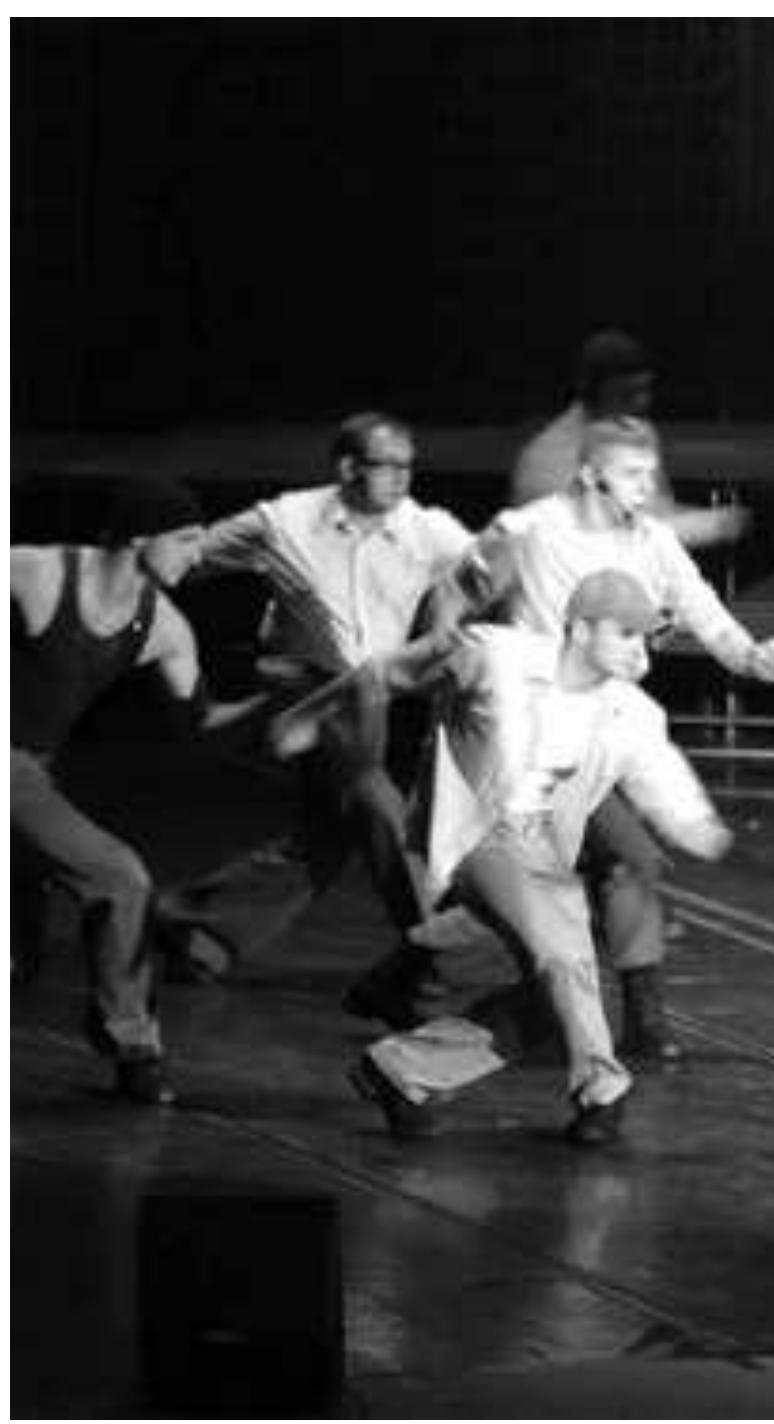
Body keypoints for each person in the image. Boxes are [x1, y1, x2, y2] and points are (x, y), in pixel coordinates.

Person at [352, 417, 774, 1070]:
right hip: (528, 740)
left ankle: (415, 974)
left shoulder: (652, 541)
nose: (647, 486)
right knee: (607, 866)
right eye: (632, 474)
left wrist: (749, 655)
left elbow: (699, 606)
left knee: (594, 872)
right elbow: (451, 594)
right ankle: (444, 1036)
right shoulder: (528, 532)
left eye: (651, 473)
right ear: (590, 473)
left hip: (602, 728)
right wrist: (448, 668)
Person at [272, 570, 732, 1146]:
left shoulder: (634, 715)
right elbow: (384, 672)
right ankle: (603, 1090)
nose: (641, 651)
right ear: (582, 629)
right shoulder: (494, 657)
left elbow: (667, 786)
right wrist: (308, 717)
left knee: (552, 997)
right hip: (476, 836)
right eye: (627, 634)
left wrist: (701, 831)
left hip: (544, 855)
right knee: (566, 952)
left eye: (647, 639)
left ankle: (403, 1069)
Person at [152, 413, 472, 979]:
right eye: (386, 465)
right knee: (374, 799)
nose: (401, 478)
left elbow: (492, 574)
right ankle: (434, 950)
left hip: (370, 697)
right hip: (301, 688)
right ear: (348, 467)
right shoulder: (284, 522)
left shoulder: (430, 530)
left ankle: (198, 928)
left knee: (328, 835)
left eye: (408, 466)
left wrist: (451, 614)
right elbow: (185, 558)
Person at [11, 480, 258, 1104]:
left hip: (25, 774)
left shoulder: (164, 628)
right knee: (99, 889)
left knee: (102, 890)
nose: (198, 555)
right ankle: (131, 1042)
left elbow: (199, 722)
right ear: (142, 538)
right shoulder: (39, 573)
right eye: (187, 541)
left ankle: (129, 1039)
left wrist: (285, 699)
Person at [509, 328, 745, 549]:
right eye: (627, 393)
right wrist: (715, 525)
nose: (642, 402)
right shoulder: (544, 460)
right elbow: (611, 540)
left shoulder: (639, 434)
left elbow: (658, 513)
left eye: (646, 390)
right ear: (591, 390)